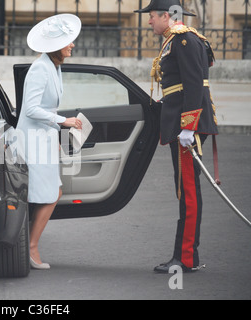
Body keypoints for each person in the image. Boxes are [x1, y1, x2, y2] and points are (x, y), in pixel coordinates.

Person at [134, 0, 218, 273]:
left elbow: (195, 83)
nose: (149, 21)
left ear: (167, 16)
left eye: (152, 16)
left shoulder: (184, 40)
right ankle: (185, 255)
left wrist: (189, 126)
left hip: (187, 127)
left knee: (189, 192)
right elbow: (177, 88)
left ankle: (185, 258)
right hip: (181, 123)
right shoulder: (173, 40)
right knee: (185, 190)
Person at [16, 14, 83, 270]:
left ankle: (27, 246)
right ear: (56, 46)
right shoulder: (40, 68)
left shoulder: (53, 66)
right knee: (49, 193)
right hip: (32, 140)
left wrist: (54, 132)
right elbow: (30, 109)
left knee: (48, 192)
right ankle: (30, 247)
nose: (72, 45)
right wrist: (62, 121)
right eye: (68, 42)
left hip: (43, 138)